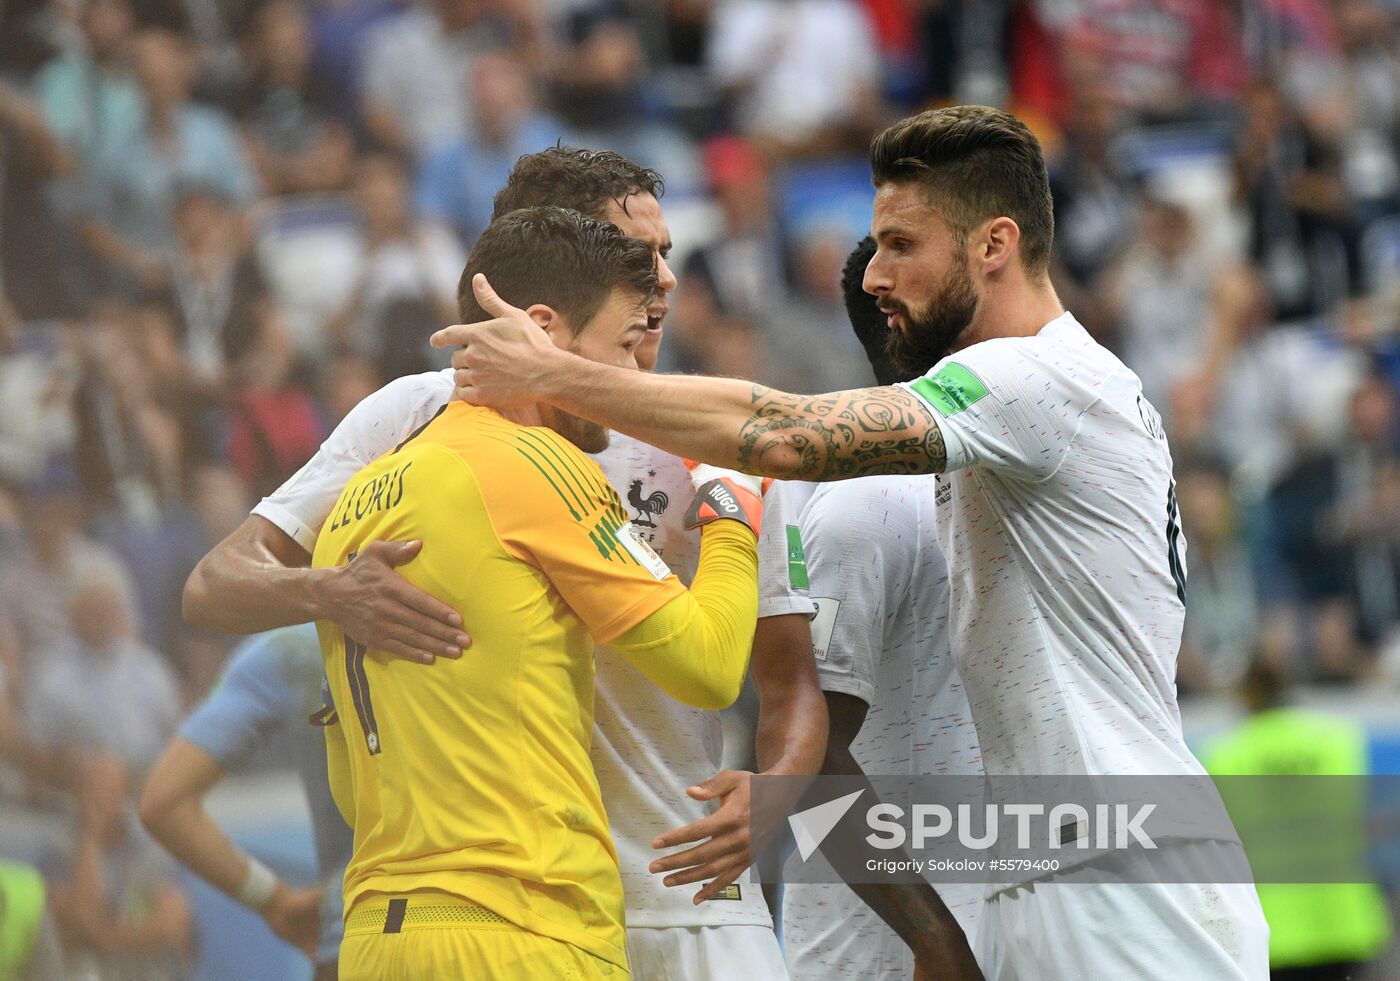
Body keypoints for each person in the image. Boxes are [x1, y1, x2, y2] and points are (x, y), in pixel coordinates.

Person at [436, 105, 1272, 980]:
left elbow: (787, 434)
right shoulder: (1049, 395)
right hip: (1066, 872)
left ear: (994, 245)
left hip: (1118, 884)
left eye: (901, 245)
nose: (872, 277)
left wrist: (555, 371)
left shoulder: (1034, 379)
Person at [184, 146, 824, 979]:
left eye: (665, 256)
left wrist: (776, 792)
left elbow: (792, 680)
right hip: (504, 897)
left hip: (687, 895)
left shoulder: (708, 432)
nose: (663, 280)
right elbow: (211, 586)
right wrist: (331, 592)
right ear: (547, 272)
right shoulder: (418, 410)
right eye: (635, 256)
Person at [315, 206, 764, 978]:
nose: (626, 383)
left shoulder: (359, 497)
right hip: (520, 928)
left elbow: (349, 788)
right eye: (622, 346)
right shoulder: (539, 467)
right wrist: (733, 506)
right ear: (545, 333)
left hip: (378, 932)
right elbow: (712, 665)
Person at [781, 237, 984, 980]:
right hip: (878, 961)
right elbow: (802, 753)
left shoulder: (993, 488)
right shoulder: (859, 507)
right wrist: (936, 937)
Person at [139, 623, 351, 980]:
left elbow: (163, 803)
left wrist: (273, 900)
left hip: (357, 934)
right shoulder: (469, 622)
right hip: (475, 920)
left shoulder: (291, 650)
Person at [1204, 658, 1393, 980]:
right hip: (1344, 918)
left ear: (1246, 693)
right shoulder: (1339, 740)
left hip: (1275, 928)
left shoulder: (1224, 754)